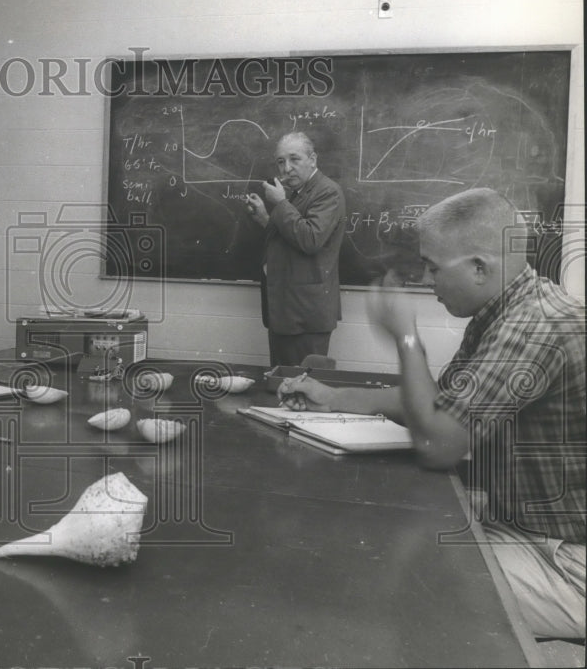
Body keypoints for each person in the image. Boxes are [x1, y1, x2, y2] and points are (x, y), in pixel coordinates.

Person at [278, 188, 585, 640]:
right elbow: (440, 403)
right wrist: (333, 396)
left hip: (569, 562)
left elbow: (440, 444)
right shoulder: (505, 310)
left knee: (412, 578)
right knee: (394, 537)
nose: (425, 279)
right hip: (529, 532)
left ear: (480, 268)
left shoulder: (534, 328)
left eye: (434, 268)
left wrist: (406, 338)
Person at [245, 131, 346, 366]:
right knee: (283, 387)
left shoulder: (327, 192)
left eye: (294, 159)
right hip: (288, 313)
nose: (286, 168)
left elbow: (310, 239)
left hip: (305, 316)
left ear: (313, 159)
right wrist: (264, 218)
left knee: (301, 390)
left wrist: (280, 203)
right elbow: (291, 238)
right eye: (280, 161)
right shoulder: (298, 194)